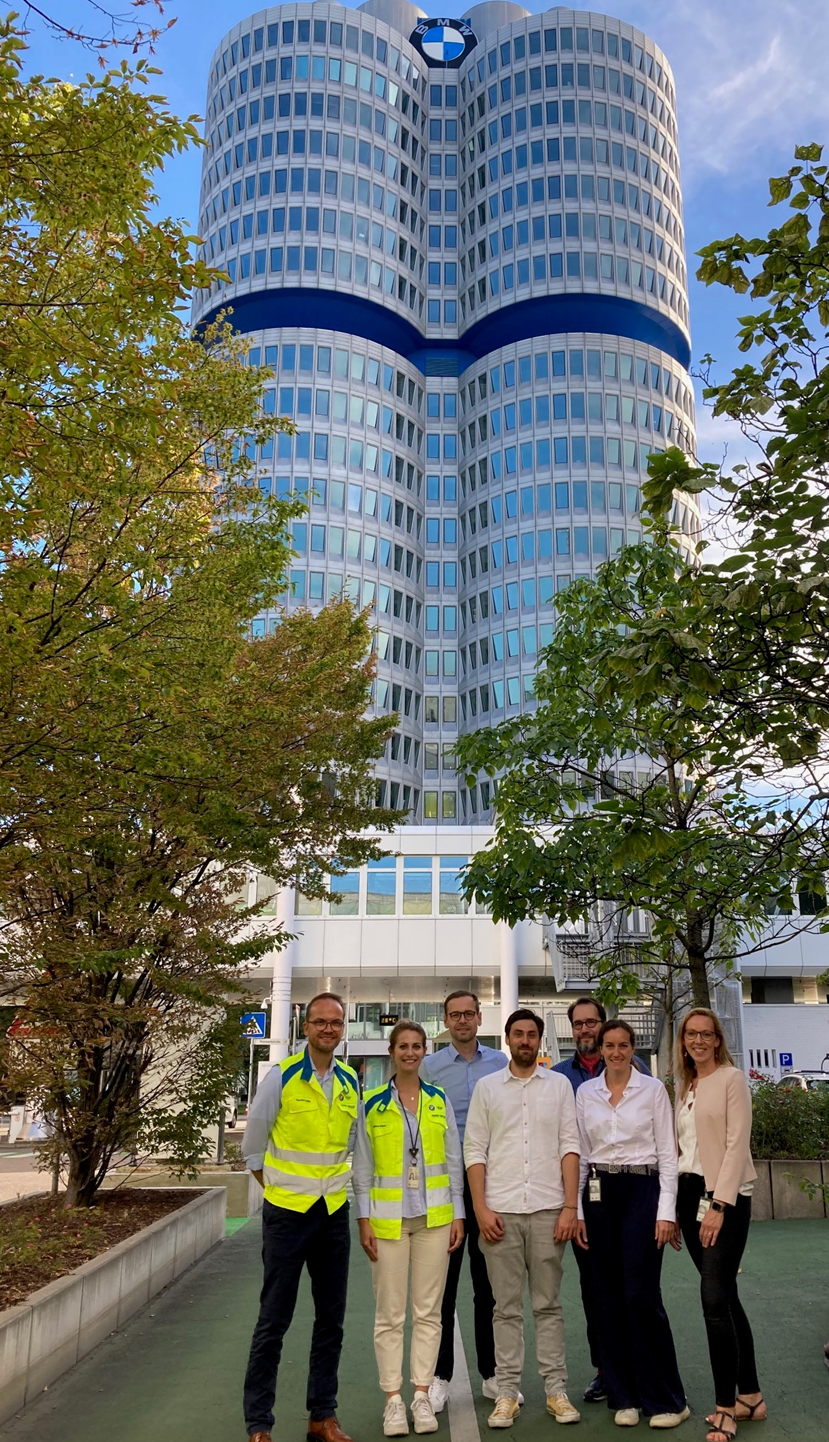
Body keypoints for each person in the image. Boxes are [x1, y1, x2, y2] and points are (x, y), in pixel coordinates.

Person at [242, 993, 358, 1442]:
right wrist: (277, 1194)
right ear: (305, 1028)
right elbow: (253, 1149)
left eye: (335, 1022)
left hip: (332, 1215)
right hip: (287, 1217)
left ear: (342, 1028)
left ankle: (322, 1417)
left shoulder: (350, 1082)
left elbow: (352, 1150)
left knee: (331, 1321)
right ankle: (259, 1425)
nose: (328, 1029)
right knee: (273, 1320)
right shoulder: (282, 1077)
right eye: (319, 1022)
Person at [464, 1008, 582, 1430]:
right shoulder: (487, 1088)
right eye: (518, 1034)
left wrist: (570, 1207)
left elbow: (571, 1146)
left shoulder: (560, 1086)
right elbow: (474, 1150)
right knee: (505, 1309)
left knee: (548, 1306)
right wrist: (480, 1208)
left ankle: (556, 1390)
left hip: (549, 1211)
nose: (525, 1041)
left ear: (540, 1039)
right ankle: (507, 1393)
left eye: (532, 1034)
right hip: (501, 1212)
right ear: (508, 1039)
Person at [575, 1018, 688, 1430]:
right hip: (600, 1194)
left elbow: (669, 1155)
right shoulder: (586, 1093)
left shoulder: (654, 1090)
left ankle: (666, 1399)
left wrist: (666, 1212)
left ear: (632, 1048)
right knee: (607, 1298)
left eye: (624, 1045)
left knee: (640, 1295)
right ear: (600, 1049)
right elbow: (583, 1155)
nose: (616, 1052)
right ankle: (623, 1396)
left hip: (644, 1191)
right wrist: (577, 1209)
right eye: (609, 1045)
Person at [354, 1021, 466, 1438]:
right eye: (403, 1046)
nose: (411, 1052)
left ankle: (421, 1395)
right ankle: (393, 1401)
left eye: (417, 1046)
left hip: (435, 1220)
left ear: (424, 1052)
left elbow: (453, 1162)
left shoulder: (438, 1101)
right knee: (390, 1315)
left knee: (428, 1313)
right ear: (391, 1050)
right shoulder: (372, 1104)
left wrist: (459, 1215)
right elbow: (362, 1169)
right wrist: (363, 1218)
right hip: (387, 1223)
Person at [553, 998, 651, 1405]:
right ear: (571, 1029)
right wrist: (571, 1205)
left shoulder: (638, 1074)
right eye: (578, 1024)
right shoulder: (559, 1078)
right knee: (596, 1289)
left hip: (631, 1195)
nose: (585, 1030)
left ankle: (639, 1366)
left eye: (591, 1022)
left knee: (635, 1284)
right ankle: (605, 1369)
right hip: (583, 1199)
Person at [673, 1009, 764, 1442]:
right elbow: (684, 1149)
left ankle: (726, 1408)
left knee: (712, 1301)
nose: (699, 1041)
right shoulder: (685, 1085)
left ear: (718, 1038)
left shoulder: (731, 1079)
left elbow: (735, 1142)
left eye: (706, 1034)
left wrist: (719, 1204)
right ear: (683, 1040)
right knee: (726, 1297)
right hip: (689, 1195)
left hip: (722, 1198)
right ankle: (751, 1396)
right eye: (691, 1034)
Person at [419, 990, 509, 1414]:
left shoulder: (500, 1064)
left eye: (468, 1014)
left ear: (478, 1017)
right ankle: (439, 1378)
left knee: (489, 1286)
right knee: (443, 1288)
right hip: (445, 1190)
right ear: (446, 1020)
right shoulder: (429, 1067)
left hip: (492, 1189)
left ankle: (492, 1374)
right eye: (453, 1015)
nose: (462, 1021)